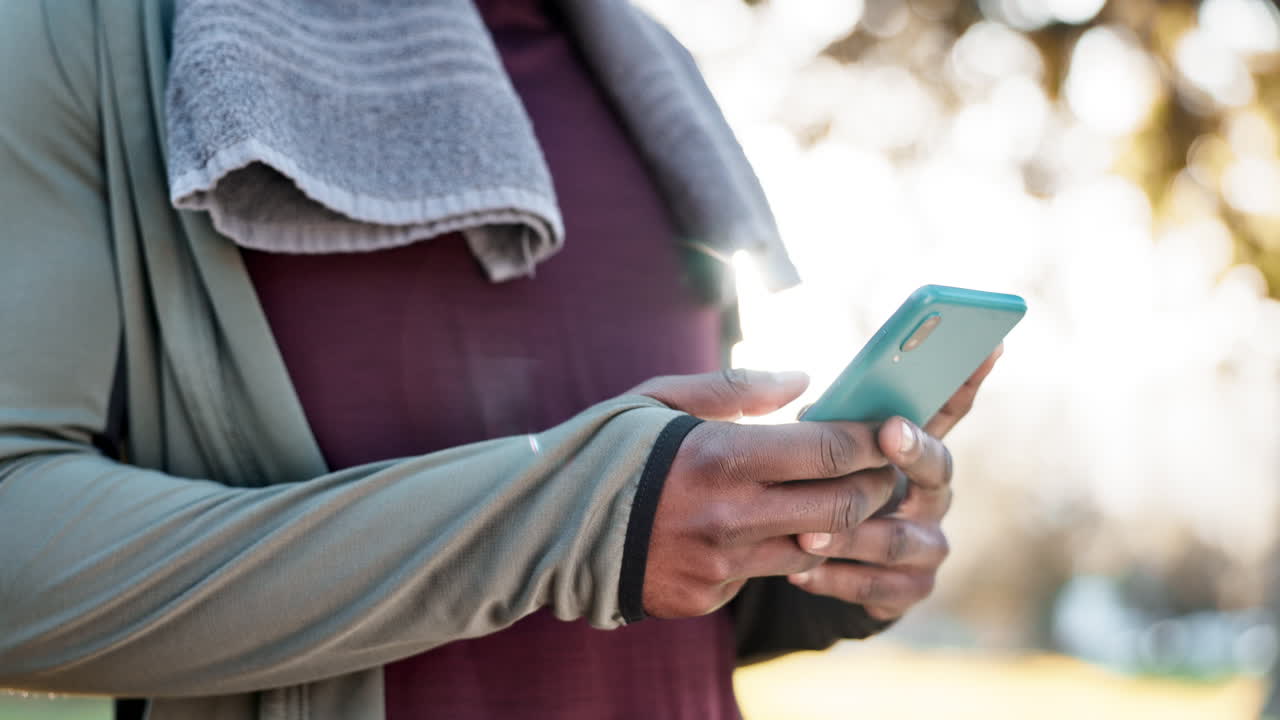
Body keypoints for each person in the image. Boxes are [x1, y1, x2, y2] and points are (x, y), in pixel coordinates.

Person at [0, 0, 1000, 718]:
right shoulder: (87, 33)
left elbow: (634, 556)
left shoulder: (654, 71)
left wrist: (792, 552)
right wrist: (572, 516)